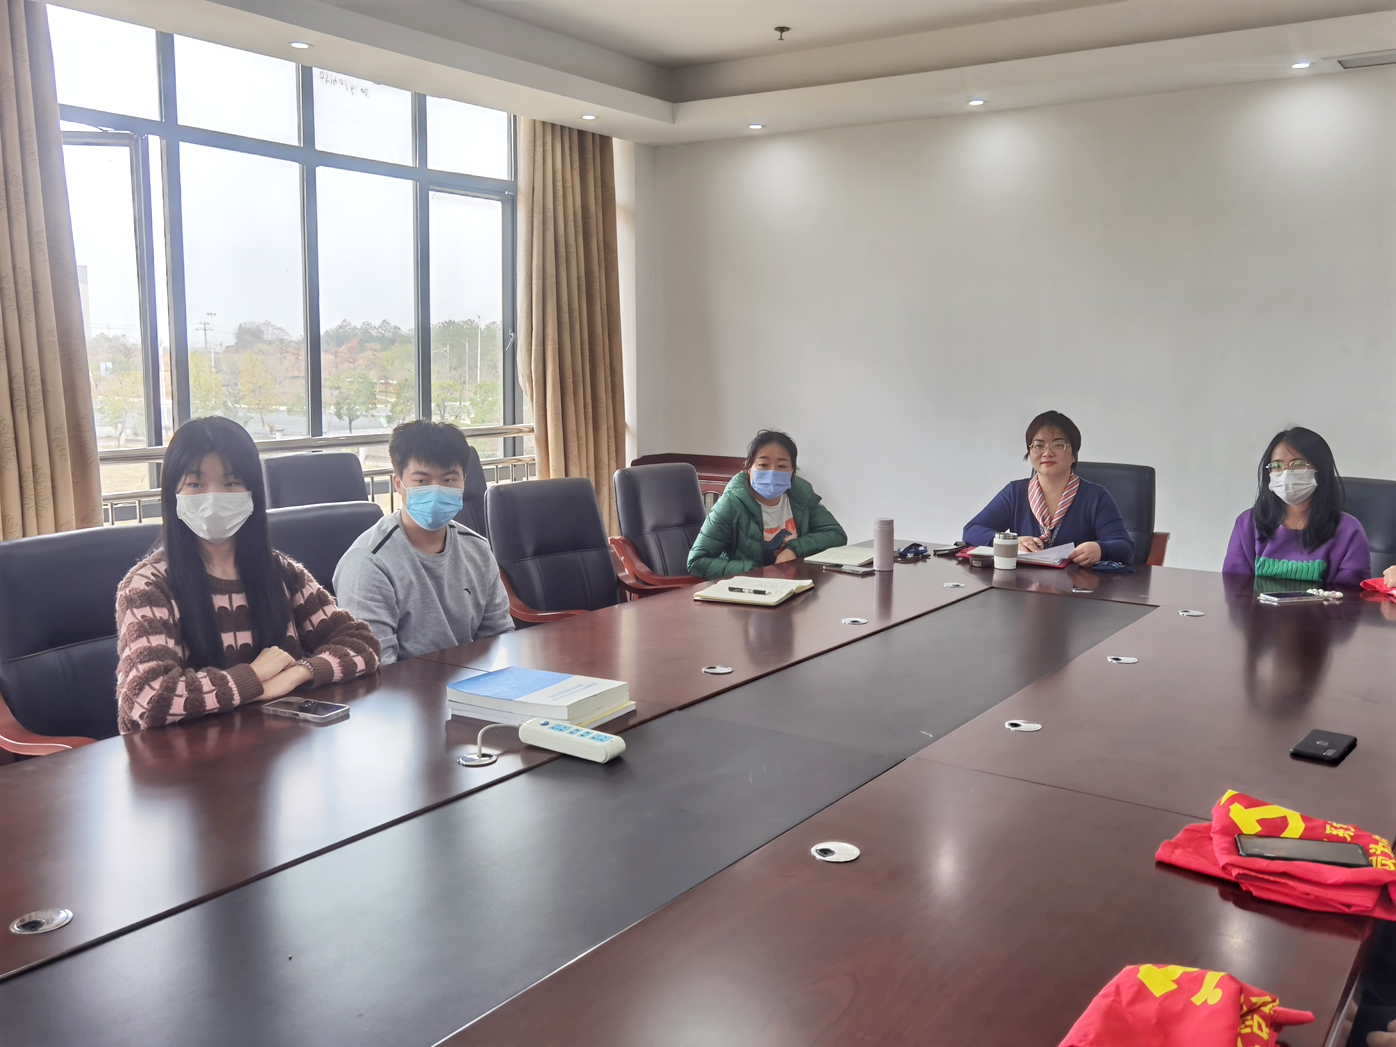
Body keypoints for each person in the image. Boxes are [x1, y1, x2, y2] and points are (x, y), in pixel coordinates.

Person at [115, 418, 380, 734]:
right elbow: (148, 697)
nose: (214, 497)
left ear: (253, 492)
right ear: (174, 494)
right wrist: (254, 677)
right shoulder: (147, 585)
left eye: (231, 483)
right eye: (196, 484)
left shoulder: (281, 572)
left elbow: (363, 643)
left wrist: (299, 672)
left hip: (269, 746)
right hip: (180, 758)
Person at [334, 420, 512, 663]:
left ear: (464, 481)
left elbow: (499, 638)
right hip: (403, 685)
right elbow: (378, 664)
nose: (436, 490)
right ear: (399, 484)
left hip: (473, 680)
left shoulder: (478, 549)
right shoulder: (368, 562)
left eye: (449, 480)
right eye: (422, 481)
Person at [963, 410, 1133, 567]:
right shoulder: (1015, 492)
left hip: (1077, 586)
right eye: (1038, 445)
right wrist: (1010, 541)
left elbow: (1125, 548)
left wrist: (1100, 549)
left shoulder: (1096, 497)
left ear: (1074, 454)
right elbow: (971, 531)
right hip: (1022, 585)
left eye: (1058, 445)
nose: (1047, 453)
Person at [687, 429, 847, 580]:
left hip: (797, 586)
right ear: (749, 468)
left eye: (782, 466)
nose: (772, 473)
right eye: (763, 465)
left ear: (792, 471)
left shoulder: (802, 496)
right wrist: (753, 571)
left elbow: (836, 534)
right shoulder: (731, 503)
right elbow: (697, 561)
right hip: (748, 592)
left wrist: (794, 549)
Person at [1222, 427, 1369, 588]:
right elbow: (1234, 588)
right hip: (1256, 606)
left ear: (1320, 470)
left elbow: (1350, 597)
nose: (1286, 473)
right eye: (1277, 465)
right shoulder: (1247, 523)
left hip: (1323, 606)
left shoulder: (1348, 530)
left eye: (1298, 464)